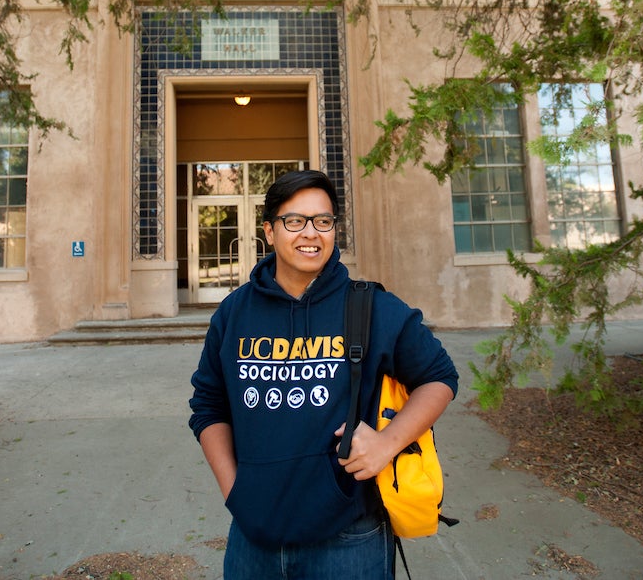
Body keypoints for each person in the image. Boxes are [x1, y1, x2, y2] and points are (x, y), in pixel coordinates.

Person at [188, 169, 458, 579]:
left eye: (323, 221)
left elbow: (439, 378)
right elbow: (208, 405)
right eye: (294, 221)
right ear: (269, 231)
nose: (310, 233)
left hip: (349, 539)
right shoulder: (235, 312)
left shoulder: (371, 308)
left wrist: (387, 443)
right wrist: (235, 492)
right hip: (252, 543)